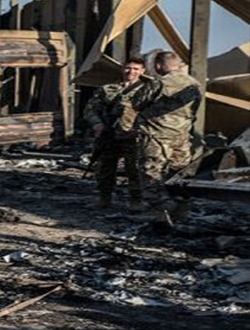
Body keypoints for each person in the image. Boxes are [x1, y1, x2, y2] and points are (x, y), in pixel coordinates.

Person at [130, 51, 202, 220]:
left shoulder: (160, 83)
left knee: (151, 171)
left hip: (157, 134)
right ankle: (182, 208)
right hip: (182, 136)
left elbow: (137, 103)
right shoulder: (194, 83)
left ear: (158, 66)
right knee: (179, 172)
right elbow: (195, 108)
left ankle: (159, 210)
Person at [82, 58, 150, 212]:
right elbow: (90, 109)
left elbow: (153, 113)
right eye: (128, 68)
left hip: (132, 136)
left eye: (136, 69)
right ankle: (104, 198)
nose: (131, 72)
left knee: (134, 169)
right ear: (122, 69)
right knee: (105, 168)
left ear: (142, 71)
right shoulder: (108, 89)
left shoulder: (147, 90)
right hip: (109, 134)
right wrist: (97, 123)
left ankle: (136, 200)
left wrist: (142, 129)